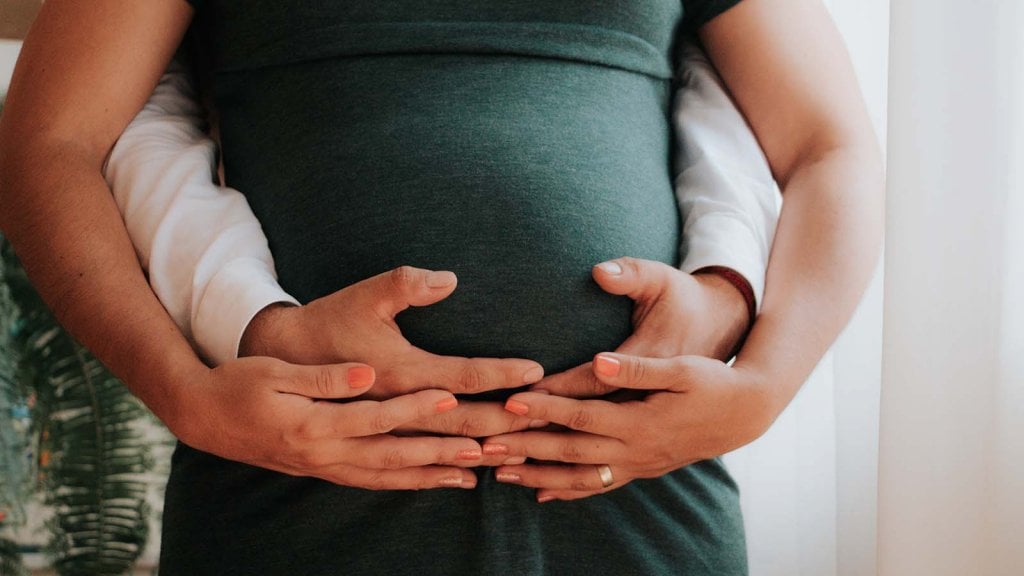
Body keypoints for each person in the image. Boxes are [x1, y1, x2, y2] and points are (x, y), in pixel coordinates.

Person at [0, 0, 884, 574]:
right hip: (295, 502)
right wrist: (186, 395)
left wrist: (765, 388)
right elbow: (47, 141)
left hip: (637, 504)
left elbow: (828, 147)